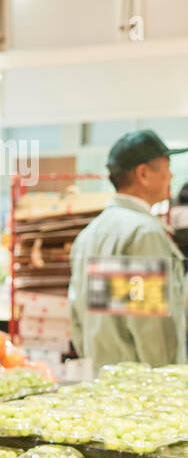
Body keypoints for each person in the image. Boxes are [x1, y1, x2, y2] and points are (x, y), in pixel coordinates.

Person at [68, 129, 187, 370]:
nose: (171, 175)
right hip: (141, 391)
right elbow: (151, 326)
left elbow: (77, 315)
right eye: (166, 166)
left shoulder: (89, 234)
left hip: (104, 382)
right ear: (143, 173)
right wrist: (164, 381)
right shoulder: (143, 234)